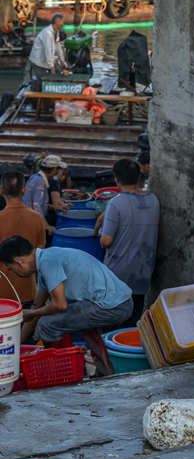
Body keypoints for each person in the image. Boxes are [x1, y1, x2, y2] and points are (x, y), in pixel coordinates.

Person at [0, 236, 133, 376]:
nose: (14, 273)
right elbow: (35, 310)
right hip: (119, 302)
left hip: (114, 306)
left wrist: (32, 314)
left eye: (12, 269)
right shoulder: (47, 258)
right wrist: (14, 347)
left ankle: (66, 374)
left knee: (46, 325)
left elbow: (59, 305)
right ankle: (105, 371)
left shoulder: (48, 262)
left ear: (18, 262)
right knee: (79, 320)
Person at [100, 158, 159, 330]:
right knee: (131, 324)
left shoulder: (116, 203)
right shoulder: (153, 200)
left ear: (116, 179)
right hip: (142, 272)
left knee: (111, 324)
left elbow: (106, 241)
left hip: (117, 274)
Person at [0, 171, 46, 308]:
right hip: (27, 291)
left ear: (1, 191)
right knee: (26, 326)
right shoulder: (36, 218)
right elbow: (40, 253)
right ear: (24, 190)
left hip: (2, 291)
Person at [22, 154, 69, 235]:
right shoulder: (40, 183)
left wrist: (56, 207)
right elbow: (37, 208)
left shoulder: (35, 177)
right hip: (30, 222)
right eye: (58, 169)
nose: (58, 172)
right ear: (54, 169)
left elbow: (38, 203)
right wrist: (47, 226)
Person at [28, 13, 67, 91]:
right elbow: (48, 50)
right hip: (39, 61)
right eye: (62, 22)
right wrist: (51, 66)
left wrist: (62, 60)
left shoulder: (56, 31)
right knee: (42, 82)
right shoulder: (48, 33)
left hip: (47, 60)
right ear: (57, 23)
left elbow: (57, 46)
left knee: (59, 72)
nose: (63, 24)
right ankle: (40, 99)